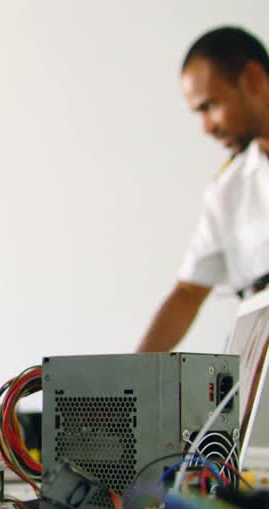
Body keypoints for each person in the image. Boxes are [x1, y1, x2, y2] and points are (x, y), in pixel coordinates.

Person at [139, 26, 269, 352]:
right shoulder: (228, 191)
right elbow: (187, 294)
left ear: (252, 79)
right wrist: (129, 375)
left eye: (210, 105)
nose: (207, 127)